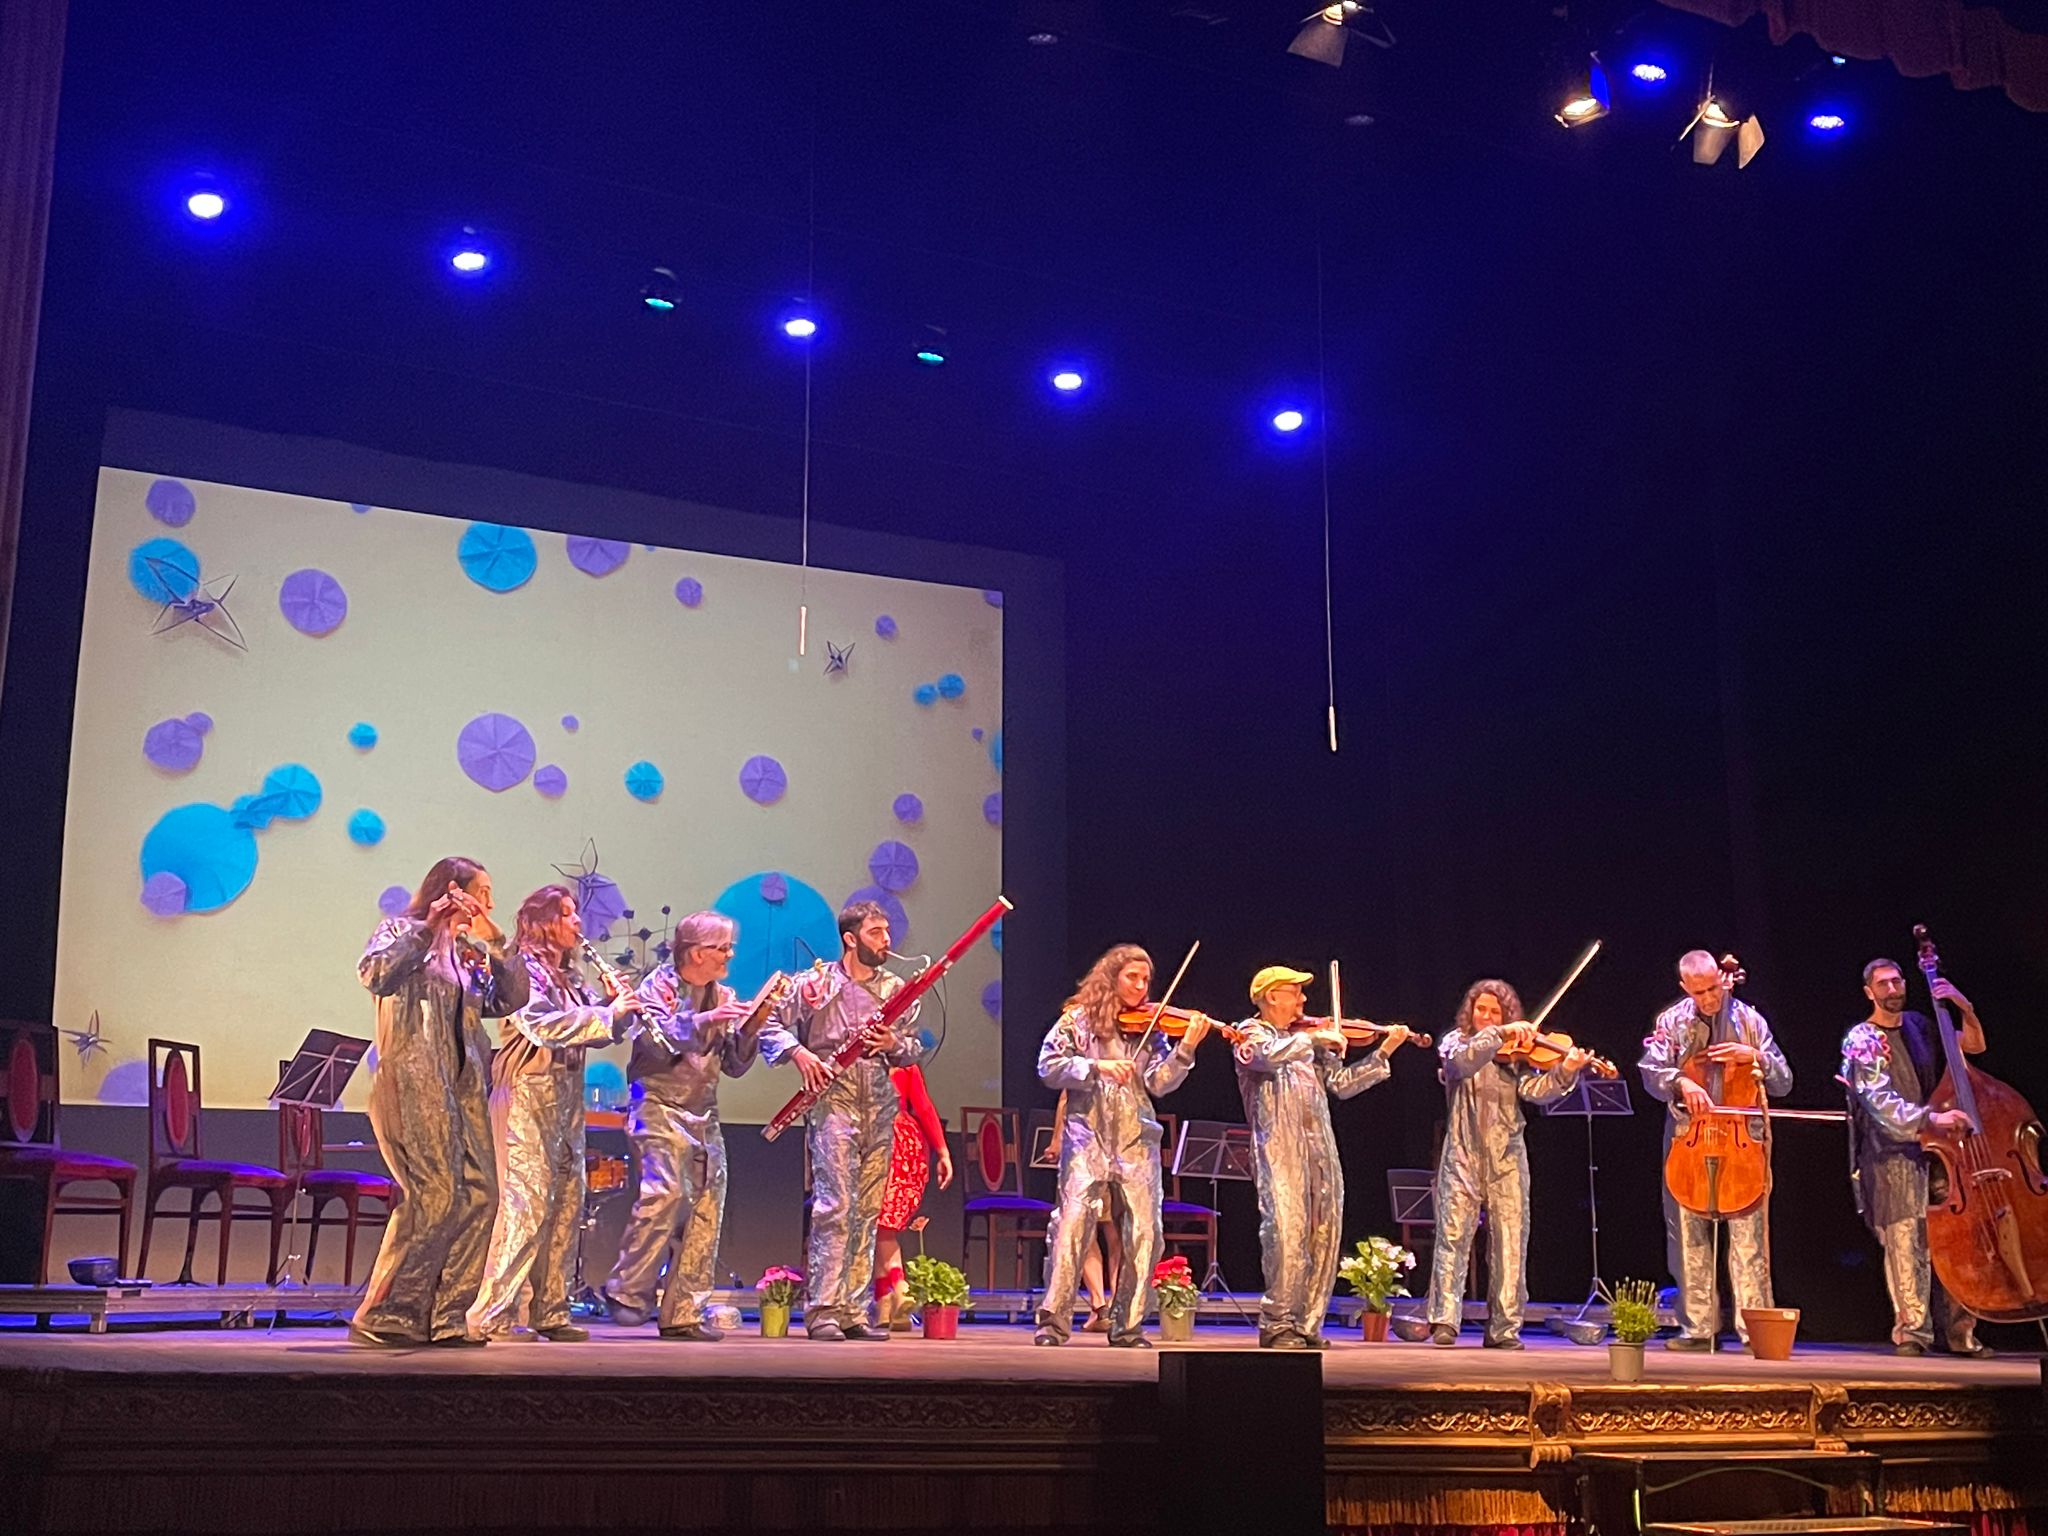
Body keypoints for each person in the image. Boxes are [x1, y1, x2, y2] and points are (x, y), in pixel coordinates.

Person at [351, 856, 530, 1347]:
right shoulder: (402, 930)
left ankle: (447, 1315)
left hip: (464, 1088)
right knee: (436, 1196)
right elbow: (375, 974)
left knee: (482, 1195)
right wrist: (428, 928)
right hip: (415, 1082)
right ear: (453, 890)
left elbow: (510, 1000)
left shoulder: (467, 953)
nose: (490, 900)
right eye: (483, 891)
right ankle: (387, 1312)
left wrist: (498, 942)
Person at [465, 886, 640, 1342]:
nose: (577, 922)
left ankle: (551, 1309)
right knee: (525, 1206)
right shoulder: (521, 969)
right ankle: (493, 1315)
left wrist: (616, 1010)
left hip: (565, 1098)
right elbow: (542, 1026)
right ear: (543, 923)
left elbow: (597, 1031)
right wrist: (607, 1014)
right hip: (527, 1093)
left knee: (565, 1203)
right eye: (566, 914)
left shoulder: (570, 977)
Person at [760, 899, 925, 1341]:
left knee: (869, 1210)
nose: (886, 940)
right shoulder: (815, 984)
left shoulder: (896, 989)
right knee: (835, 1206)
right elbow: (768, 1024)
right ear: (851, 939)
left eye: (887, 931)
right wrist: (799, 1054)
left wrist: (894, 1044)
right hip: (834, 1101)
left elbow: (913, 1047)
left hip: (881, 1105)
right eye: (876, 932)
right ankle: (823, 1310)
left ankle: (853, 1310)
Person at [1033, 944, 1210, 1347]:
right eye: (1133, 977)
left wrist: (1185, 1049)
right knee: (1071, 1228)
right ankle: (1052, 1323)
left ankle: (1128, 1325)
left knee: (1146, 1232)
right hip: (1086, 1138)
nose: (1141, 986)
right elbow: (1048, 1066)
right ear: (1111, 977)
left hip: (1136, 1140)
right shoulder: (1077, 1021)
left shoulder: (1152, 1029)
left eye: (1146, 979)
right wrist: (1096, 1067)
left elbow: (1159, 1083)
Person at [603, 910, 764, 1339]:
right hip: (657, 1105)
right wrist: (707, 1020)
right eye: (722, 947)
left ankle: (684, 1313)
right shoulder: (658, 987)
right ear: (695, 953)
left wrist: (751, 1028)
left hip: (703, 1114)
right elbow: (658, 1041)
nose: (730, 954)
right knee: (667, 1192)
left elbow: (734, 1065)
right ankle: (626, 1290)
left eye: (730, 946)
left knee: (707, 1210)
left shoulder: (723, 994)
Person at [1233, 965, 1412, 1349]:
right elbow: (1263, 1057)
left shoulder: (1308, 1042)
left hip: (1321, 1148)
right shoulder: (1251, 1033)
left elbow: (1342, 1085)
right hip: (1279, 1148)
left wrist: (1384, 1051)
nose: (1303, 1000)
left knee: (1325, 1233)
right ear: (1271, 996)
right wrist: (1312, 1039)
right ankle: (1277, 1322)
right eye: (1295, 992)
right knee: (1285, 1233)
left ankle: (1307, 1323)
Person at [1424, 979, 1594, 1348]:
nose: (1486, 1017)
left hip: (1508, 1157)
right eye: (1481, 1010)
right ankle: (1445, 1321)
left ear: (1507, 1014)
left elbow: (1535, 1091)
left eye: (1495, 1012)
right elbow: (1461, 1065)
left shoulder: (1516, 1054)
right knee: (1452, 1238)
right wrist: (1499, 1033)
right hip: (1462, 1155)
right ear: (1470, 1012)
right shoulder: (1456, 1042)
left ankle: (1504, 1328)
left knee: (1511, 1244)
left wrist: (1566, 1071)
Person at [1639, 949, 1792, 1351]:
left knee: (1749, 1242)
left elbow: (1784, 1081)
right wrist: (1681, 1081)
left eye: (1713, 989)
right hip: (1690, 1138)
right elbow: (1651, 1071)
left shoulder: (1751, 1021)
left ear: (1723, 981)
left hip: (1742, 1143)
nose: (1709, 999)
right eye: (1699, 992)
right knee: (1688, 1238)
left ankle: (1754, 1329)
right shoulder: (1671, 1022)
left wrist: (1755, 1056)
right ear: (1684, 987)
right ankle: (1698, 1328)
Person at [1841, 956, 1990, 1357]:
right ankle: (1912, 1333)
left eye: (1897, 981)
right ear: (1869, 992)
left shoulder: (1921, 1025)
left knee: (1957, 1242)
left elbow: (1973, 1046)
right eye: (1883, 984)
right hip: (1892, 1156)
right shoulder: (1862, 1038)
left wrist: (1965, 1008)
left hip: (1941, 1154)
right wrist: (1933, 1119)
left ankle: (1960, 1333)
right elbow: (1879, 1102)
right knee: (1907, 1245)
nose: (1892, 989)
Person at [872, 1063, 954, 1329]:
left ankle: (899, 1286)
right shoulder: (907, 1065)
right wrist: (942, 1152)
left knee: (880, 1228)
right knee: (882, 1230)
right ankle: (886, 1306)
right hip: (909, 1144)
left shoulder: (863, 1059)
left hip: (882, 1143)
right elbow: (925, 1108)